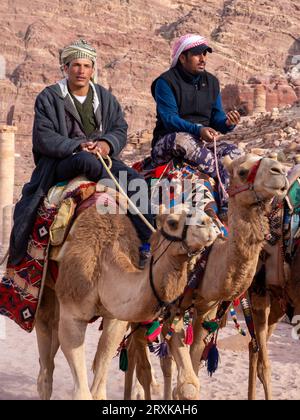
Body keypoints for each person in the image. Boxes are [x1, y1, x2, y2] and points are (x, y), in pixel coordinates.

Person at [9, 39, 153, 268]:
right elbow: (44, 137)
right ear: (65, 68)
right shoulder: (49, 97)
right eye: (75, 65)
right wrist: (77, 146)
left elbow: (119, 128)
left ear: (93, 69)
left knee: (136, 181)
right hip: (63, 161)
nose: (81, 71)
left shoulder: (105, 98)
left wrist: (106, 144)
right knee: (86, 161)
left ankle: (147, 242)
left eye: (86, 66)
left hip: (102, 157)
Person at [150, 33, 242, 213]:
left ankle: (226, 208)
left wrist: (228, 123)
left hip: (202, 143)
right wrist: (198, 130)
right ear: (182, 58)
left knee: (234, 153)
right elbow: (169, 119)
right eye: (197, 54)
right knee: (184, 140)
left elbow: (217, 119)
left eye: (205, 54)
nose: (202, 59)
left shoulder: (212, 82)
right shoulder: (165, 82)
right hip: (170, 141)